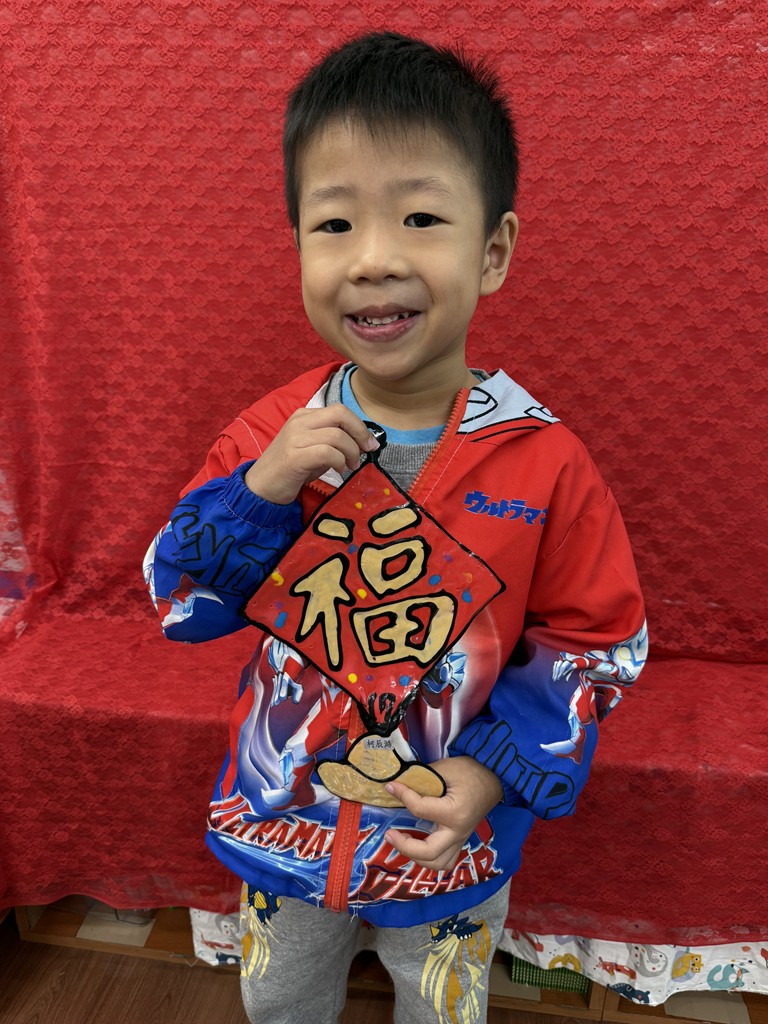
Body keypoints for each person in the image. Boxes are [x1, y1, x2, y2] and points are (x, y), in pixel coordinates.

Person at [144, 30, 647, 1024]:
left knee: (442, 1009)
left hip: (447, 843)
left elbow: (597, 644)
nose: (374, 259)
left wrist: (489, 773)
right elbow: (178, 598)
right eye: (334, 224)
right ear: (298, 248)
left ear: (492, 251)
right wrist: (261, 490)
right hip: (283, 826)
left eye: (420, 217)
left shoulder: (546, 462)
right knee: (279, 1001)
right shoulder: (267, 438)